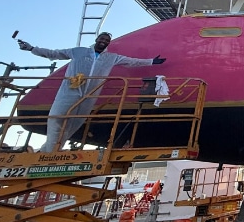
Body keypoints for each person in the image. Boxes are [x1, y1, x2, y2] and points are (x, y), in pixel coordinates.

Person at [17, 32, 165, 152]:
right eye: (102, 38)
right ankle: (48, 152)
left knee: (75, 123)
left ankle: (53, 150)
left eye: (107, 40)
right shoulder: (78, 52)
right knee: (56, 118)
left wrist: (151, 61)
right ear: (96, 39)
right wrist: (31, 49)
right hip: (70, 90)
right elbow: (54, 53)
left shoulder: (110, 58)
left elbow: (131, 61)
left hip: (91, 94)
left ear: (108, 43)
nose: (104, 41)